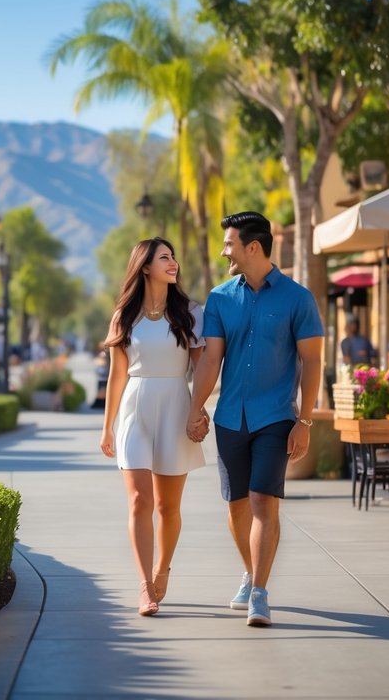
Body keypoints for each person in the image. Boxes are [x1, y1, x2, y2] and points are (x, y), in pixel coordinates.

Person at [187, 211, 323, 628]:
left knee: (264, 501)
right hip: (231, 417)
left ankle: (260, 593)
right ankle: (251, 573)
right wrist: (196, 408)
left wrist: (305, 421)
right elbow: (211, 358)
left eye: (229, 244)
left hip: (275, 417)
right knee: (236, 505)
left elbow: (313, 360)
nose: (224, 251)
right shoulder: (221, 298)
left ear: (253, 248)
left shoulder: (298, 298)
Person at [100, 237, 205, 617]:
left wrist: (199, 409)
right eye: (164, 257)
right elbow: (116, 376)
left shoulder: (191, 313)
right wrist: (107, 427)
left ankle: (164, 568)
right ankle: (145, 586)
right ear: (145, 266)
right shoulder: (124, 317)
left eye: (174, 256)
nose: (173, 262)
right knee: (140, 500)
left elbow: (203, 368)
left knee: (167, 505)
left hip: (176, 405)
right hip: (135, 410)